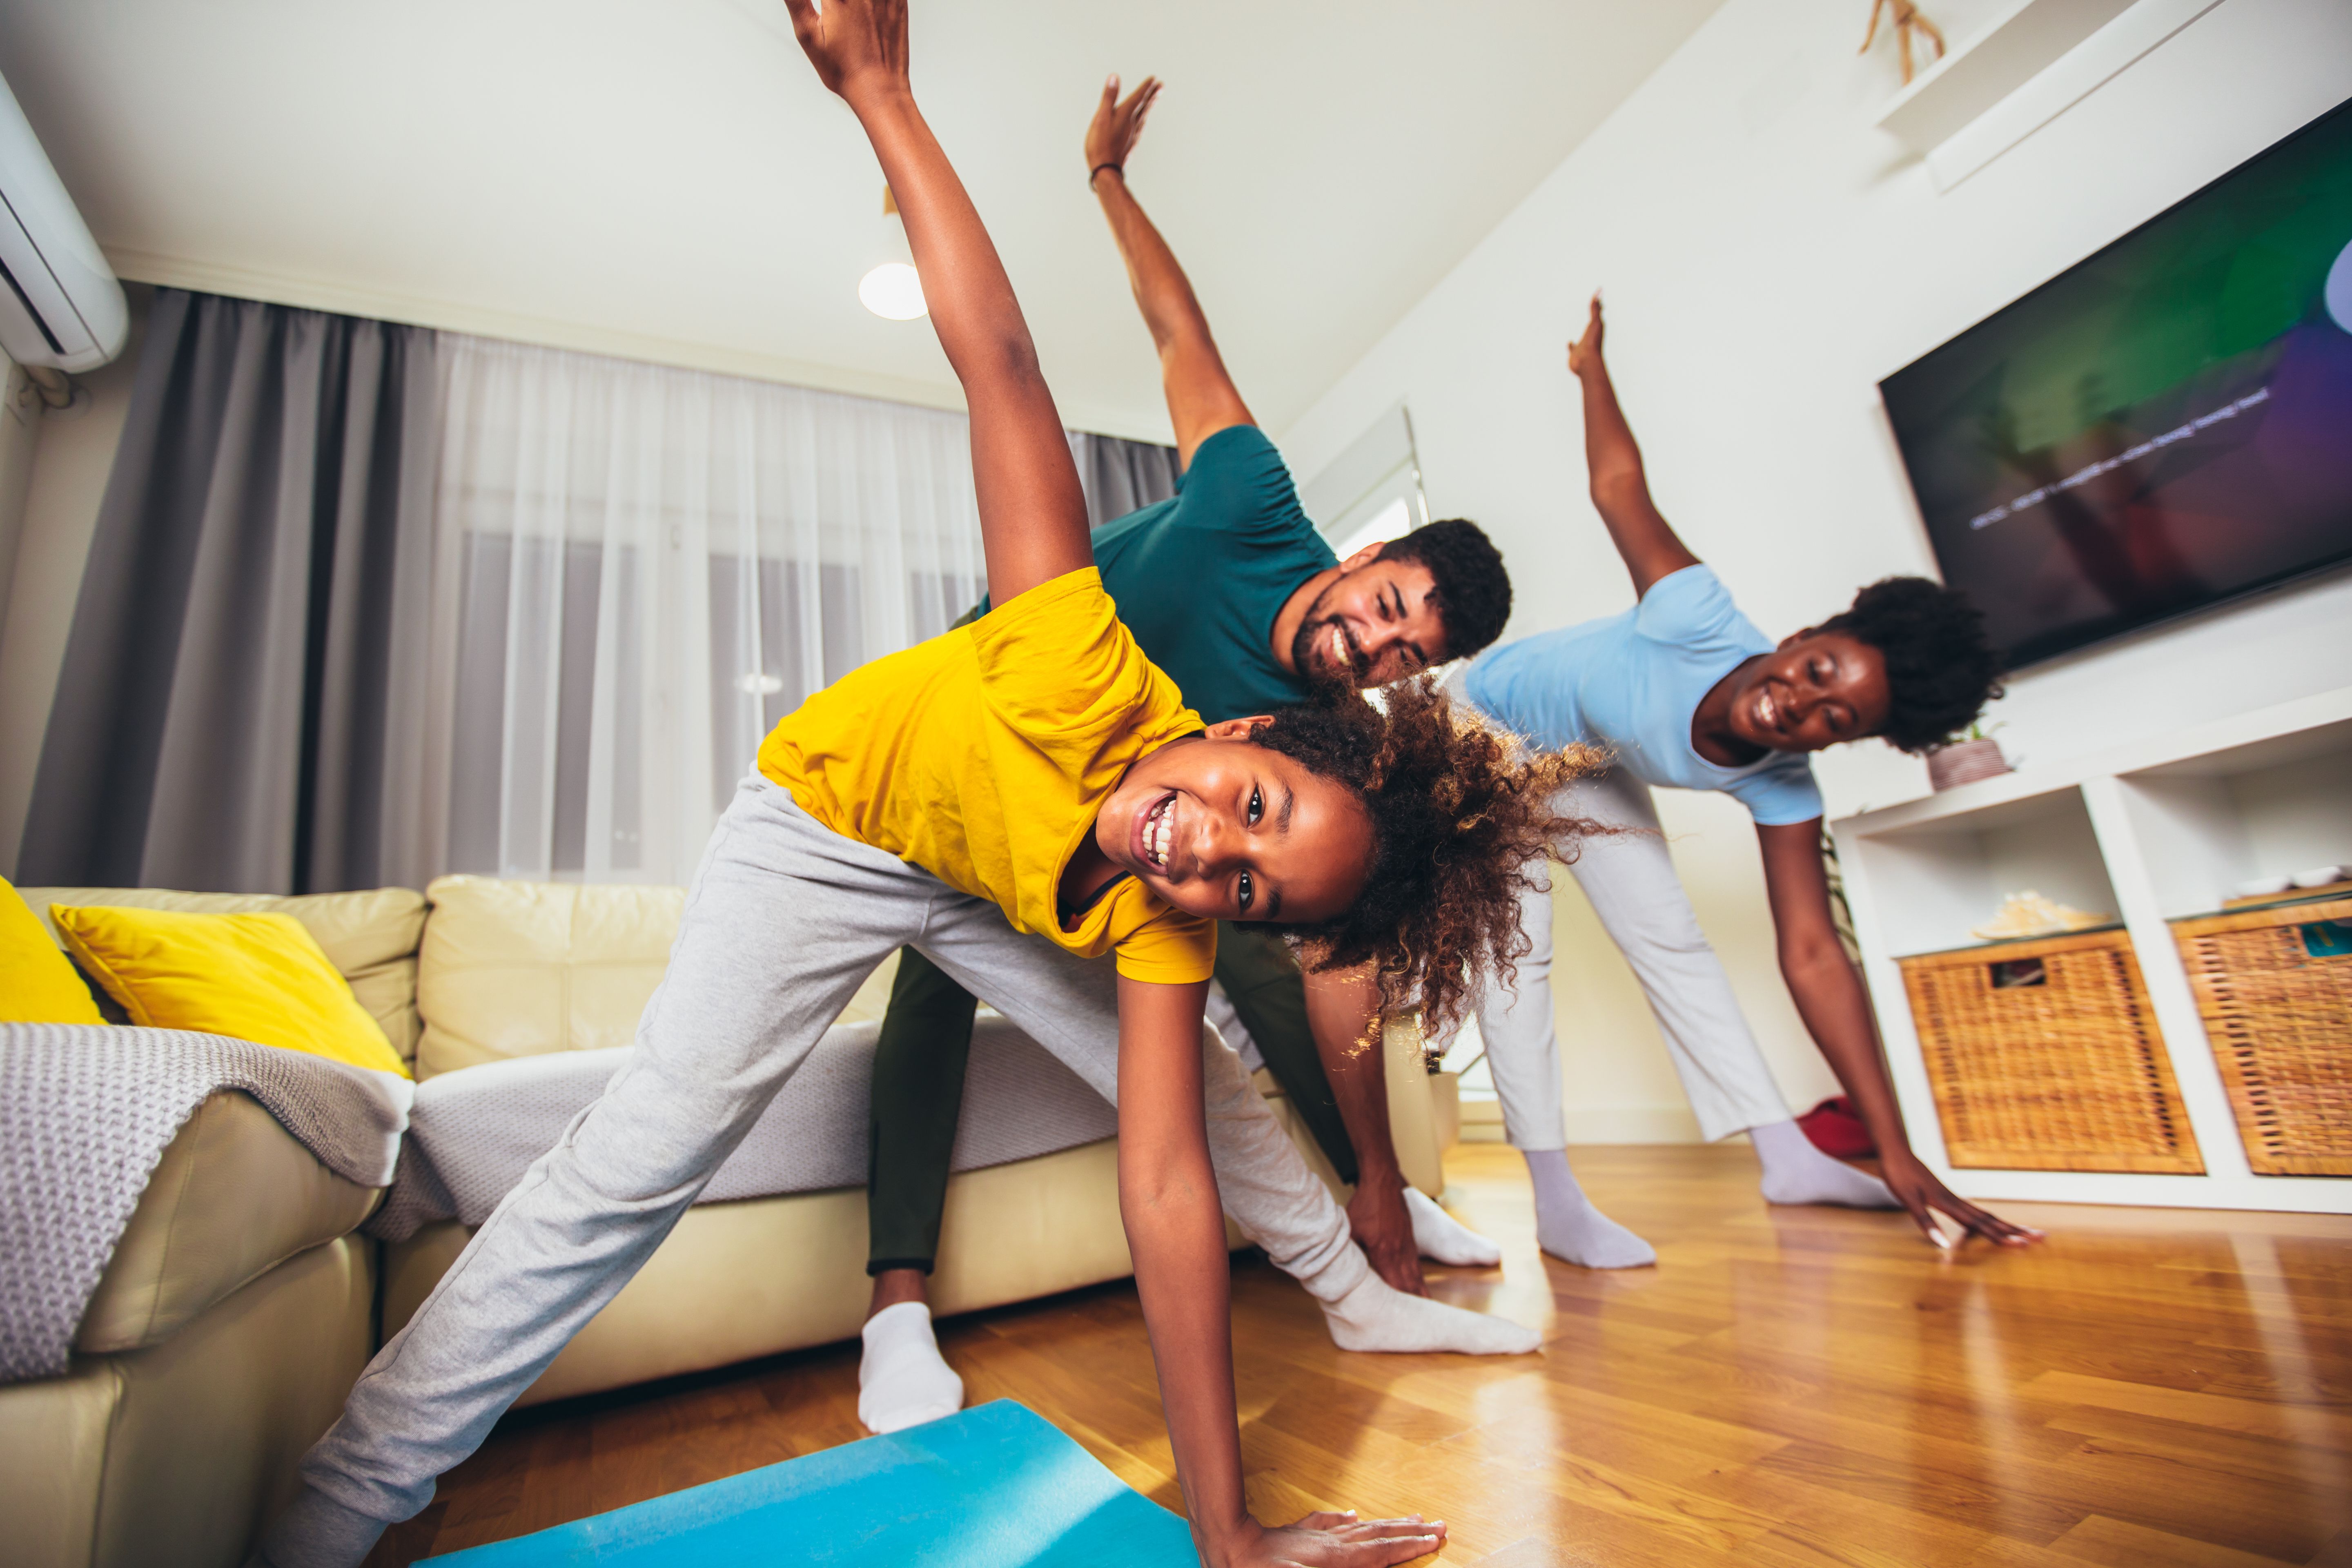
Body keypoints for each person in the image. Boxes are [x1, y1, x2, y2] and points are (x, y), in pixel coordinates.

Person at [250, 9, 1588, 1565]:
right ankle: (343, 1502)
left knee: (1211, 1084)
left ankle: (1360, 1308)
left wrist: (1225, 1535)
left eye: (1244, 886)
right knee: (646, 1150)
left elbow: (1164, 1186)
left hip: (1005, 870)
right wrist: (885, 95)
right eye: (1251, 812)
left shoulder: (1179, 894)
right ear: (1247, 734)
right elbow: (1003, 362)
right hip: (833, 828)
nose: (1206, 848)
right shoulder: (1084, 648)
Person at [855, 73, 1516, 1435]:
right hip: (1002, 707)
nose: (1376, 650)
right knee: (929, 973)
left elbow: (1341, 972)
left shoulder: (1324, 739)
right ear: (1367, 557)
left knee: (1271, 947)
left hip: (1142, 813)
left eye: (1407, 658)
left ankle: (1368, 1208)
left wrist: (1383, 1173)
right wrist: (1108, 180)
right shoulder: (1251, 497)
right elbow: (1177, 329)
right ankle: (896, 1307)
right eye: (1385, 610)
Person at [1450, 295, 2045, 1267]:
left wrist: (1897, 1151)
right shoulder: (1698, 617)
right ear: (1806, 638)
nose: (1797, 708)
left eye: (1834, 718)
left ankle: (1787, 1157)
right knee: (1522, 951)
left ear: (1847, 741)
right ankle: (1555, 1201)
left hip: (1582, 760)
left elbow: (1812, 954)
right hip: (1480, 721)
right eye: (1815, 673)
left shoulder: (1784, 785)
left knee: (1675, 943)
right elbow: (1617, 485)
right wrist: (1591, 369)